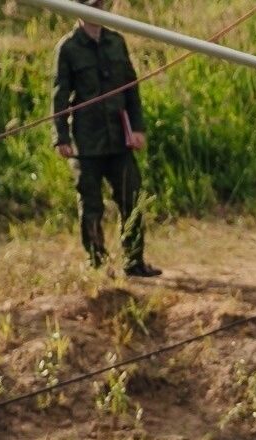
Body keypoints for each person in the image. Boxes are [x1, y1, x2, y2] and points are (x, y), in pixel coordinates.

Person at [51, 0, 160, 277]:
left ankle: (134, 262)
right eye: (91, 5)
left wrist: (137, 128)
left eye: (100, 4)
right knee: (91, 205)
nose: (97, 8)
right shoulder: (68, 48)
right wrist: (61, 136)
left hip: (119, 139)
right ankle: (98, 263)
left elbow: (131, 90)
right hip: (87, 143)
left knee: (131, 198)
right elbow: (60, 95)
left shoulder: (116, 41)